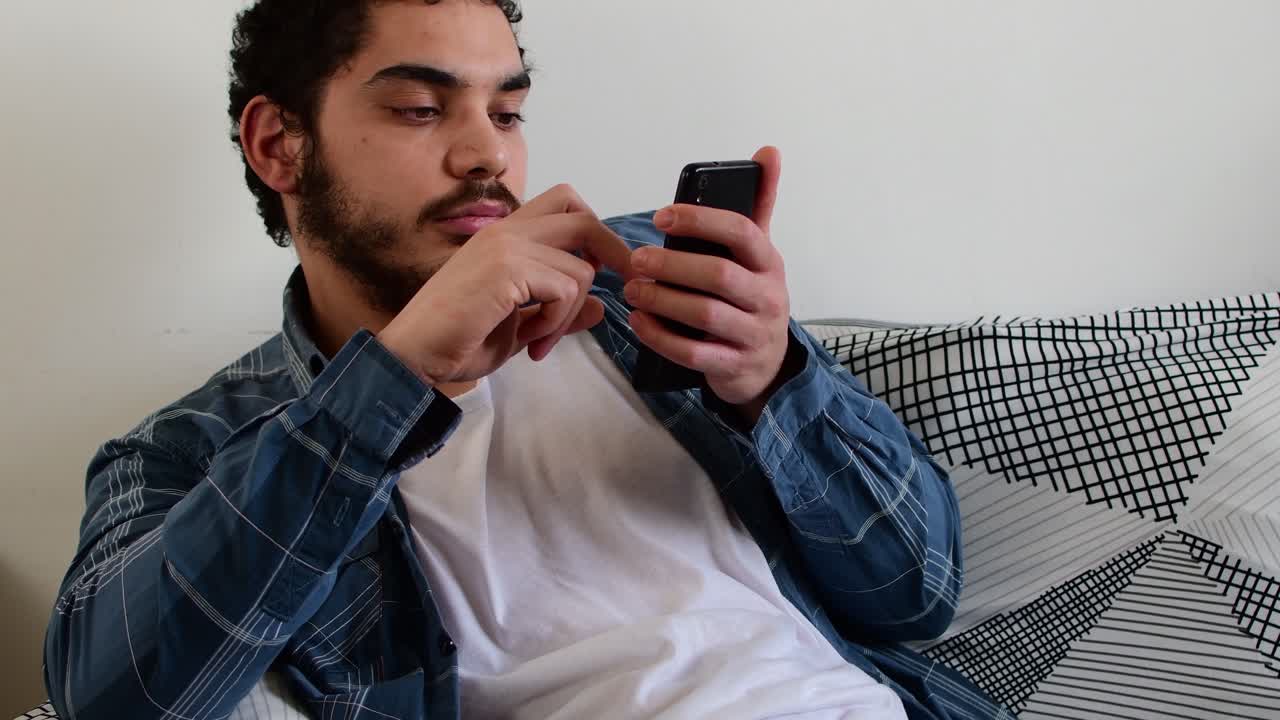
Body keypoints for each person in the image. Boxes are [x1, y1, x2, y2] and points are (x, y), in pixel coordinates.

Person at [44, 1, 1004, 718]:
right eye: (423, 109)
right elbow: (121, 700)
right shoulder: (192, 449)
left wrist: (772, 387)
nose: (486, 158)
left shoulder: (648, 281)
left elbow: (915, 596)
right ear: (278, 144)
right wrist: (394, 380)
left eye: (506, 114)